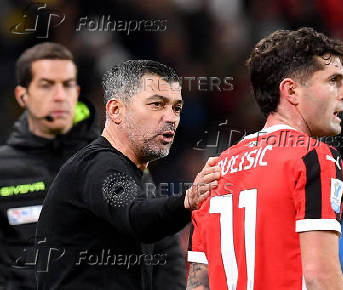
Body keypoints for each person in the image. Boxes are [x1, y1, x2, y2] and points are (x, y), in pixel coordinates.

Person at [187, 27, 343, 290]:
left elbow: (197, 285)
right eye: (334, 80)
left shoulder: (213, 172)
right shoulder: (314, 157)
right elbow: (320, 276)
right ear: (292, 91)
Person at [35, 60, 221, 290]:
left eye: (176, 108)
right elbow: (136, 216)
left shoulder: (142, 178)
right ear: (116, 110)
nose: (171, 118)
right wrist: (187, 200)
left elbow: (166, 254)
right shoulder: (98, 165)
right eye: (157, 104)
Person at [0, 42, 100, 290]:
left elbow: (157, 247)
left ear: (77, 93)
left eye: (67, 85)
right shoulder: (4, 170)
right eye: (46, 85)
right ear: (22, 96)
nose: (59, 96)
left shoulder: (108, 163)